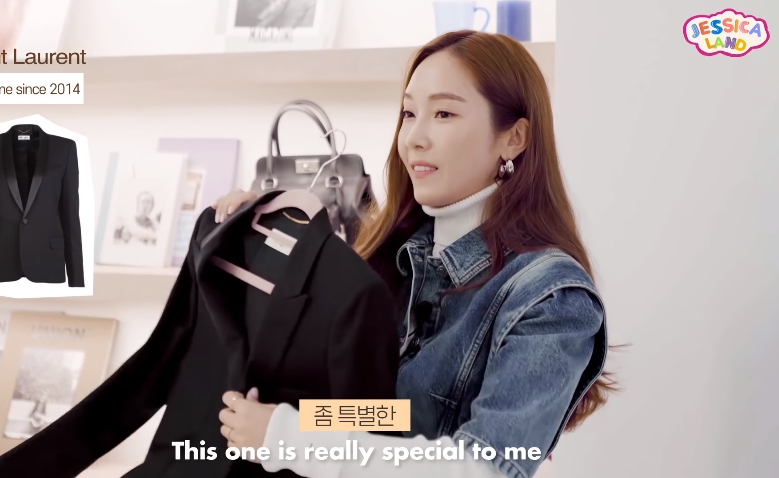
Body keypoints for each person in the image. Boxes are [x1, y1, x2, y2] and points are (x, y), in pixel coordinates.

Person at [213, 30, 616, 478]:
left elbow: (485, 469)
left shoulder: (550, 297)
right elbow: (392, 415)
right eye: (408, 113)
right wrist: (261, 235)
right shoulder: (398, 261)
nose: (414, 138)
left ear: (515, 137)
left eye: (444, 113)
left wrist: (290, 438)